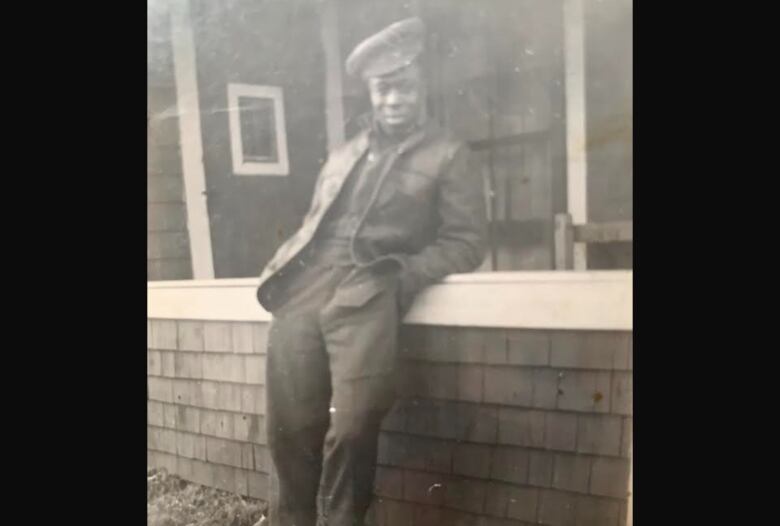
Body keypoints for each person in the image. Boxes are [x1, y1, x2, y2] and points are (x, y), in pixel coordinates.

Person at [255, 17, 488, 526]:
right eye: (383, 90)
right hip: (305, 287)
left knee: (354, 425)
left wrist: (403, 275)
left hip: (370, 287)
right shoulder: (345, 152)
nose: (393, 101)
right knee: (289, 428)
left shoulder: (449, 155)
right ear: (371, 93)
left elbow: (467, 242)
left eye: (404, 87)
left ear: (422, 87)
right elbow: (315, 223)